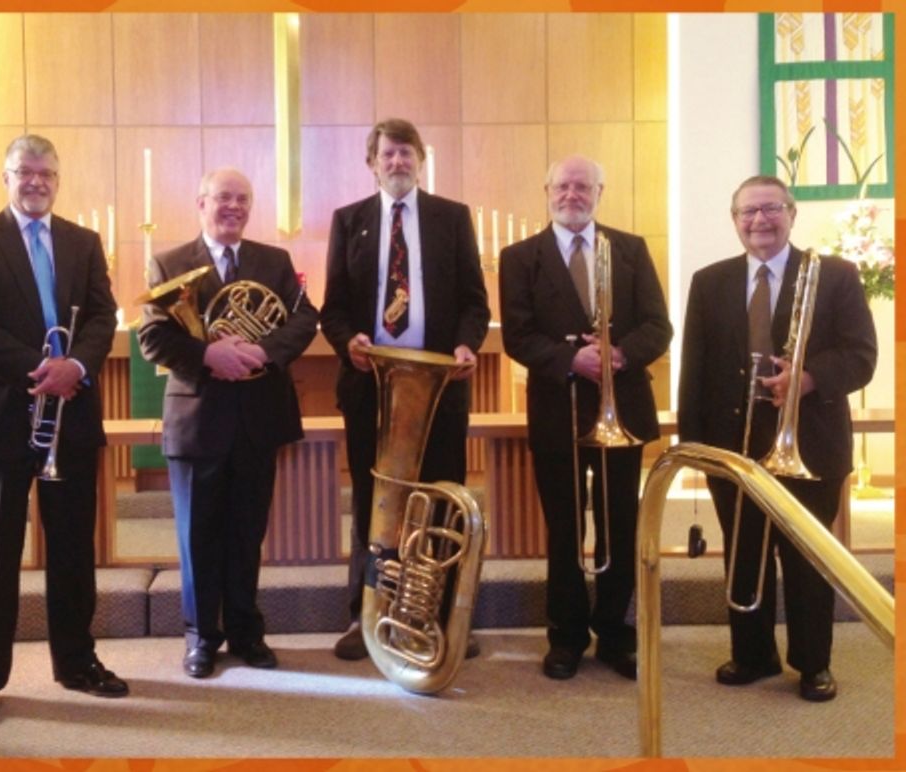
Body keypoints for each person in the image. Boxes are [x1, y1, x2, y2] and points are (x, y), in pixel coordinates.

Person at [0, 134, 126, 730]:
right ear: (6, 177)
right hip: (3, 413)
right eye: (25, 172)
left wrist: (76, 366)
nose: (36, 182)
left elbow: (102, 315)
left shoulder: (82, 241)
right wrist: (41, 367)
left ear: (57, 180)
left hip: (71, 414)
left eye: (46, 173)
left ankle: (76, 662)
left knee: (74, 548)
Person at [678, 175, 876, 702]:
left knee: (808, 558)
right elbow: (694, 365)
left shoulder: (835, 275)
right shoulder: (709, 281)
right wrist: (693, 443)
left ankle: (813, 663)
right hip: (733, 444)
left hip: (810, 443)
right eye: (747, 212)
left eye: (770, 209)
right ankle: (752, 653)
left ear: (791, 214)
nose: (759, 220)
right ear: (734, 220)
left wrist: (807, 379)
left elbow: (862, 355)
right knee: (745, 553)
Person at [320, 118, 490, 662]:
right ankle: (366, 615)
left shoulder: (451, 218)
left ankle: (436, 617)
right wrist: (347, 341)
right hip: (371, 387)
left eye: (406, 153)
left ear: (421, 159)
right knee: (374, 502)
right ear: (372, 164)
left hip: (439, 387)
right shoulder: (349, 221)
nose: (398, 162)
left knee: (440, 498)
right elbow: (333, 308)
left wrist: (466, 345)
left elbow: (475, 301)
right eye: (388, 154)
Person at [138, 167, 317, 678]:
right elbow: (153, 338)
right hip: (198, 417)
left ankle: (245, 631)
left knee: (246, 533)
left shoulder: (274, 261)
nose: (234, 207)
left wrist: (264, 351)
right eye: (223, 198)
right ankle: (200, 637)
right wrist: (208, 355)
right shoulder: (169, 263)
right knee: (198, 536)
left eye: (242, 199)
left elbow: (305, 318)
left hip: (257, 417)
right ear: (201, 203)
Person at [498, 155, 672, 681]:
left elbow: (658, 325)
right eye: (562, 186)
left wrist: (619, 354)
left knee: (620, 525)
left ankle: (617, 634)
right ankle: (566, 636)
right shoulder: (519, 257)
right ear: (547, 191)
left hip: (623, 409)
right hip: (558, 410)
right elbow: (518, 336)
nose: (571, 194)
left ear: (600, 192)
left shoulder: (630, 249)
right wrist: (570, 359)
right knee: (564, 529)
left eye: (582, 186)